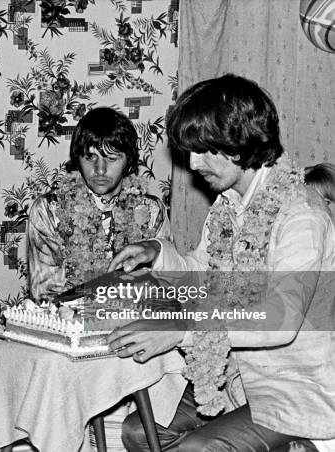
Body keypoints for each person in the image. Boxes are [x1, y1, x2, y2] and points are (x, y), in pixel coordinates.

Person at [107, 74, 335, 451]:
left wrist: (180, 331)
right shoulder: (227, 207)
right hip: (236, 378)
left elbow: (280, 318)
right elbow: (202, 275)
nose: (194, 163)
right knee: (137, 431)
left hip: (296, 389)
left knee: (197, 449)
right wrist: (157, 251)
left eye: (204, 149)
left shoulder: (301, 213)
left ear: (240, 142)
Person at [27, 107, 170, 301]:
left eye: (111, 158)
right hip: (69, 324)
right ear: (77, 158)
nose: (100, 169)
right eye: (90, 157)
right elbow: (46, 296)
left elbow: (165, 284)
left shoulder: (152, 211)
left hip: (134, 323)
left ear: (128, 161)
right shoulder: (49, 210)